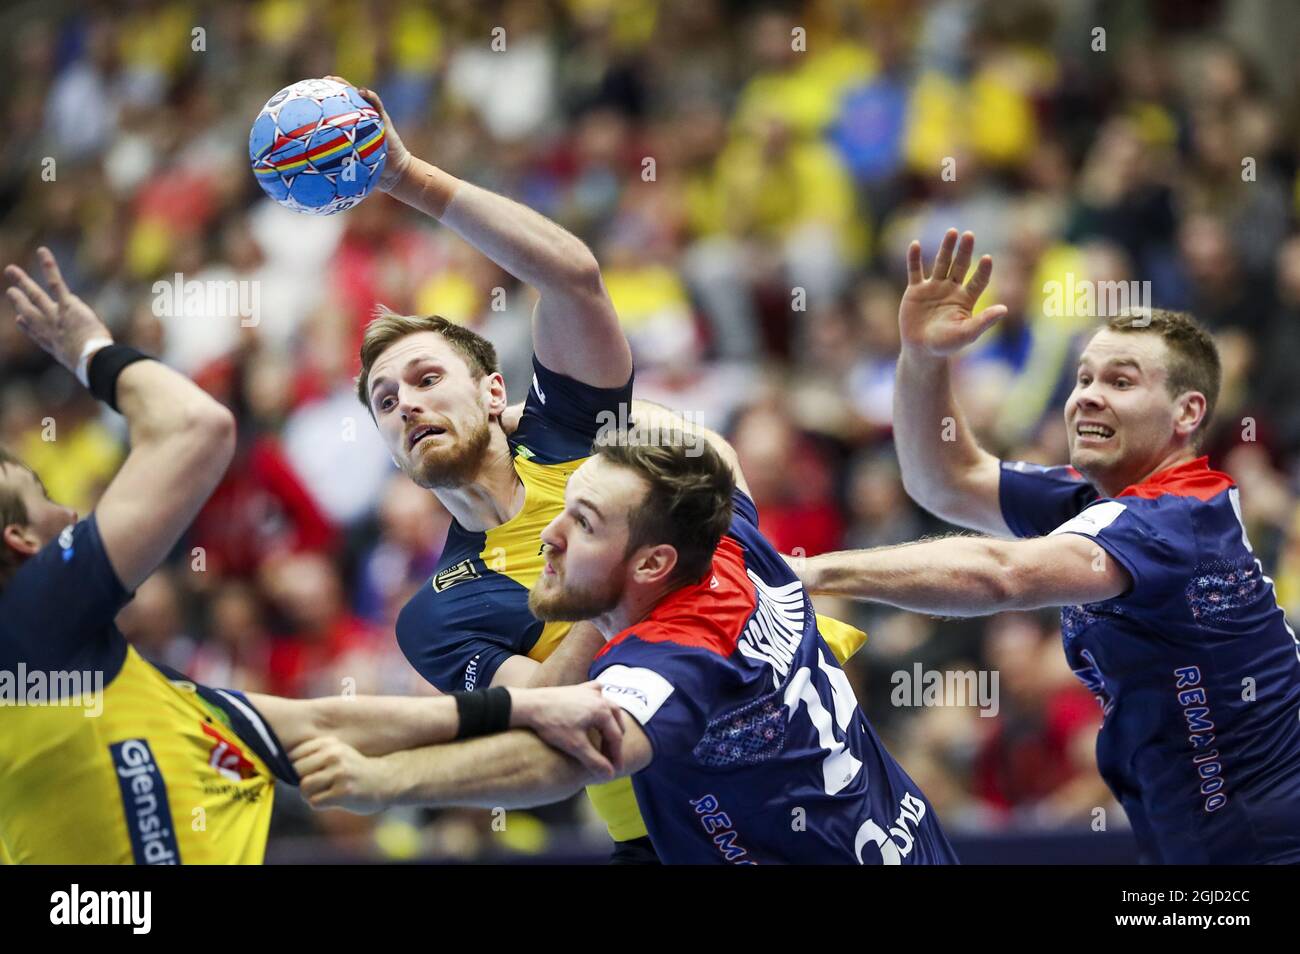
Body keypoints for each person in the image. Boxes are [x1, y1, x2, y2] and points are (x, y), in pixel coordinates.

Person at [345, 81, 867, 860]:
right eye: (386, 402)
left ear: (495, 390)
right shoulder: (435, 614)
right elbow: (546, 714)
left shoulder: (577, 432)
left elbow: (573, 278)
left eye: (426, 379)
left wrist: (407, 178)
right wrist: (608, 589)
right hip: (668, 837)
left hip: (809, 757)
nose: (408, 406)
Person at [0, 249, 624, 864]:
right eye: (48, 500)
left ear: (492, 391)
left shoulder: (123, 680)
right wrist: (91, 352)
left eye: (427, 380)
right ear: (20, 543)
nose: (74, 514)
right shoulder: (29, 622)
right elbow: (195, 425)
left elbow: (321, 723)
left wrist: (520, 708)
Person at [790, 229, 1300, 864]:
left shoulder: (1178, 519)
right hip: (1186, 851)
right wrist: (922, 357)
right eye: (1083, 377)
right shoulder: (1093, 500)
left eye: (1120, 380)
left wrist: (811, 573)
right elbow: (945, 481)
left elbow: (1000, 574)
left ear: (1187, 413)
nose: (1086, 394)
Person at [292, 430, 955, 865]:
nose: (549, 535)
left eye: (583, 522)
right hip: (912, 840)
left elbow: (567, 758)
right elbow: (713, 451)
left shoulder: (672, 654)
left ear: (651, 563)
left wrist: (383, 782)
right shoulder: (732, 541)